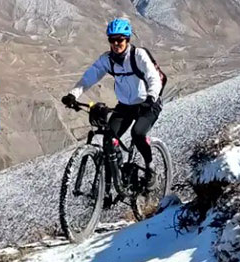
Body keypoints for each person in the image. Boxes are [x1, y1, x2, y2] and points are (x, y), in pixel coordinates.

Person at [61, 17, 164, 188]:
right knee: (109, 140)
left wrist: (151, 97)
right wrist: (73, 94)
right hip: (125, 106)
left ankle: (150, 167)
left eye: (120, 40)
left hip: (148, 104)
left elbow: (153, 78)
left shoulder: (138, 56)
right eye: (112, 40)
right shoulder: (107, 59)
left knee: (138, 134)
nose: (116, 44)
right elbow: (90, 76)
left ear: (127, 39)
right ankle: (109, 188)